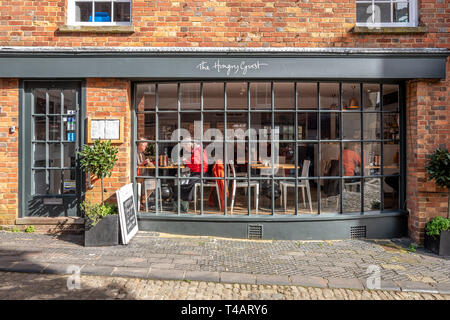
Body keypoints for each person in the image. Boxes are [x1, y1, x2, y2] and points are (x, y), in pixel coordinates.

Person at [172, 139, 209, 212]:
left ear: (188, 145)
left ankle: (181, 206)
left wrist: (186, 162)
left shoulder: (197, 151)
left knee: (180, 187)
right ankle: (182, 205)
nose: (185, 149)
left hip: (199, 175)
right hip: (200, 174)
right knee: (182, 184)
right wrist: (187, 160)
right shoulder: (198, 150)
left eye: (185, 147)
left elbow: (196, 166)